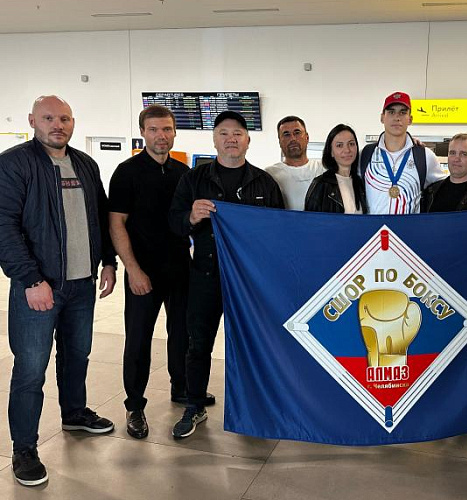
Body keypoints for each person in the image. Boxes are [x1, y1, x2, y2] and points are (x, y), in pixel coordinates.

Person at [0, 95, 117, 487]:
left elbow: (99, 216)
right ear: (32, 120)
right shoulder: (14, 164)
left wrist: (108, 261)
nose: (57, 125)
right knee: (31, 368)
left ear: (73, 122)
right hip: (38, 286)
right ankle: (24, 448)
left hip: (81, 284)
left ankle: (75, 413)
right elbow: (4, 227)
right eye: (49, 118)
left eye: (64, 118)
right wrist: (31, 280)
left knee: (77, 355)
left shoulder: (84, 164)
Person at [169, 111, 284, 439]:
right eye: (223, 133)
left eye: (237, 133)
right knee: (198, 344)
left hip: (249, 281)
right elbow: (174, 222)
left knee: (252, 345)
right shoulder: (194, 180)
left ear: (248, 140)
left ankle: (254, 407)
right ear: (214, 139)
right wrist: (191, 217)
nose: (231, 139)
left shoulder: (264, 183)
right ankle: (194, 405)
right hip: (205, 276)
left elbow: (278, 232)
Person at [109, 104, 213, 441]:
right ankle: (134, 406)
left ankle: (181, 388)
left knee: (182, 335)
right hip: (144, 272)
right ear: (143, 132)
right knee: (138, 340)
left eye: (167, 129)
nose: (161, 136)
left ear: (174, 132)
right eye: (154, 129)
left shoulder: (185, 173)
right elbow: (116, 224)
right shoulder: (127, 172)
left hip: (180, 268)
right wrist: (133, 270)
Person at [361, 92, 445, 214]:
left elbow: (445, 190)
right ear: (382, 118)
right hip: (373, 226)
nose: (397, 117)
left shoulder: (425, 156)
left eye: (402, 112)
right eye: (391, 112)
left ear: (410, 119)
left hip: (410, 226)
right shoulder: (365, 154)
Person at [266, 116, 325, 210]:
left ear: (307, 137)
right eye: (286, 134)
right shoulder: (269, 175)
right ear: (280, 141)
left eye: (297, 133)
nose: (292, 139)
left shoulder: (324, 170)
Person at [305, 124, 367, 213]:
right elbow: (310, 219)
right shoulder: (321, 184)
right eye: (339, 145)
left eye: (351, 144)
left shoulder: (360, 183)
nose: (347, 150)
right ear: (331, 152)